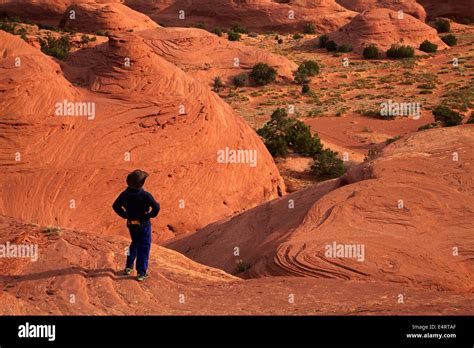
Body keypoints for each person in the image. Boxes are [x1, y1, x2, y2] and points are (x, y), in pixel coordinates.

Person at [112, 169, 160, 281]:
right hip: (144, 224)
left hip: (131, 223)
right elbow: (156, 207)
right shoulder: (145, 195)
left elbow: (115, 206)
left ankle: (129, 266)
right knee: (144, 246)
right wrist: (149, 216)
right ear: (141, 183)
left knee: (135, 243)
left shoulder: (124, 194)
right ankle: (141, 272)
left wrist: (125, 215)